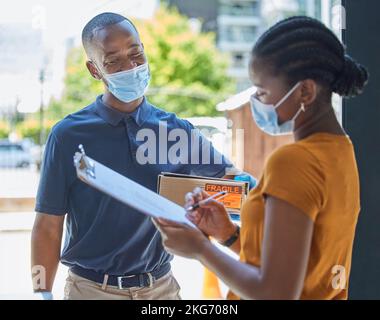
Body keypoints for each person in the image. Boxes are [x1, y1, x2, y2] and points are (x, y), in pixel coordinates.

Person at [31, 12, 249, 300]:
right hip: (92, 290)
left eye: (136, 54)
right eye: (114, 61)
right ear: (94, 69)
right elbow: (47, 227)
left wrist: (263, 193)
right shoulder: (69, 135)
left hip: (161, 290)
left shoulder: (175, 131)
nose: (130, 67)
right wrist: (41, 291)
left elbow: (236, 186)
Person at [154, 16, 369, 300]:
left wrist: (199, 249)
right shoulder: (342, 150)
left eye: (263, 92)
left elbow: (276, 293)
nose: (257, 102)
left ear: (305, 90)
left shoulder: (294, 161)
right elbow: (300, 266)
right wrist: (229, 235)